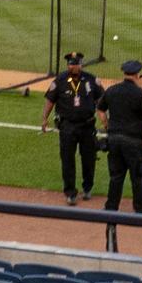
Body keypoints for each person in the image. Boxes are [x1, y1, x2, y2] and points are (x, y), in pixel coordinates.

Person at [39, 52, 102, 205]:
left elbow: (101, 99)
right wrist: (44, 118)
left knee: (89, 158)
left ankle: (87, 188)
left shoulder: (91, 80)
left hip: (87, 125)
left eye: (77, 63)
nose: (75, 66)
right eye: (72, 63)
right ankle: (70, 192)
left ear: (81, 64)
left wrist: (104, 118)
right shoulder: (60, 80)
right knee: (67, 160)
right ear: (68, 65)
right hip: (67, 126)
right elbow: (50, 100)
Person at [99, 60, 142, 214]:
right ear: (137, 74)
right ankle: (141, 210)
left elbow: (100, 110)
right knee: (138, 176)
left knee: (116, 176)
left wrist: (107, 125)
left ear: (124, 73)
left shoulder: (112, 90)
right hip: (133, 143)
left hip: (114, 141)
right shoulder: (140, 93)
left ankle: (111, 208)